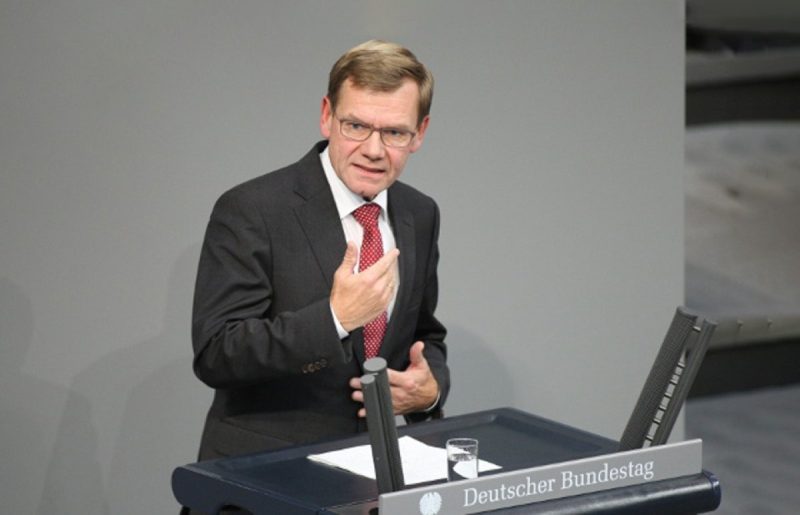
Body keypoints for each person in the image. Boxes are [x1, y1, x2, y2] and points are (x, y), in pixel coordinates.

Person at [189, 40, 450, 465]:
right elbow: (217, 353)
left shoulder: (419, 213)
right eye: (356, 126)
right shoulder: (253, 208)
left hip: (372, 471)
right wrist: (335, 319)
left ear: (419, 133)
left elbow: (424, 333)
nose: (373, 149)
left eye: (394, 133)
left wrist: (430, 389)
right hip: (265, 473)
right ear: (327, 116)